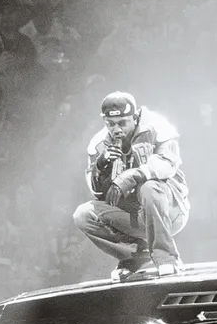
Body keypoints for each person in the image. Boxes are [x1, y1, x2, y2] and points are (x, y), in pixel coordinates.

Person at [73, 90, 188, 279]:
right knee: (83, 214)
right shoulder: (98, 144)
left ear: (135, 118)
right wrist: (100, 166)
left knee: (149, 187)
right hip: (134, 214)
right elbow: (96, 192)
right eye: (110, 124)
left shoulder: (158, 127)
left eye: (122, 123)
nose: (116, 129)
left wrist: (132, 175)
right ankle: (135, 257)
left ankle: (167, 258)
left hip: (169, 209)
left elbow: (168, 164)